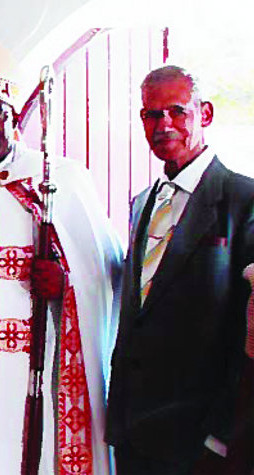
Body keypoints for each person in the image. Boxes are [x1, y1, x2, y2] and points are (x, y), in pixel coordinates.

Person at [0, 24, 122, 474]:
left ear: (14, 117)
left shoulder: (58, 181)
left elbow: (106, 272)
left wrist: (67, 283)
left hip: (34, 360)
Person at [106, 65, 254, 475]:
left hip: (200, 441)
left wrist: (222, 436)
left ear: (204, 113)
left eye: (177, 111)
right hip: (132, 432)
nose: (164, 124)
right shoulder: (142, 203)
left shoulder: (244, 200)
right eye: (152, 115)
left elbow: (249, 338)